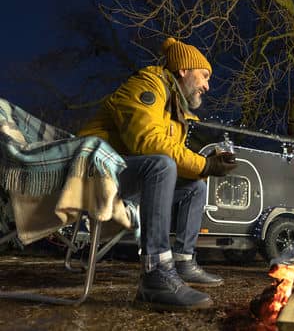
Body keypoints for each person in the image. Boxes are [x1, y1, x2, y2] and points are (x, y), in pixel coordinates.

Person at [79, 37, 238, 310]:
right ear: (184, 70)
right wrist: (204, 164)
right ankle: (155, 274)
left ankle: (183, 261)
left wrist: (205, 165)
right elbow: (147, 142)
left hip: (120, 174)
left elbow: (170, 151)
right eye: (204, 76)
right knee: (162, 165)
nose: (207, 86)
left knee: (195, 186)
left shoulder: (174, 108)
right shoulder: (148, 85)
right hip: (92, 172)